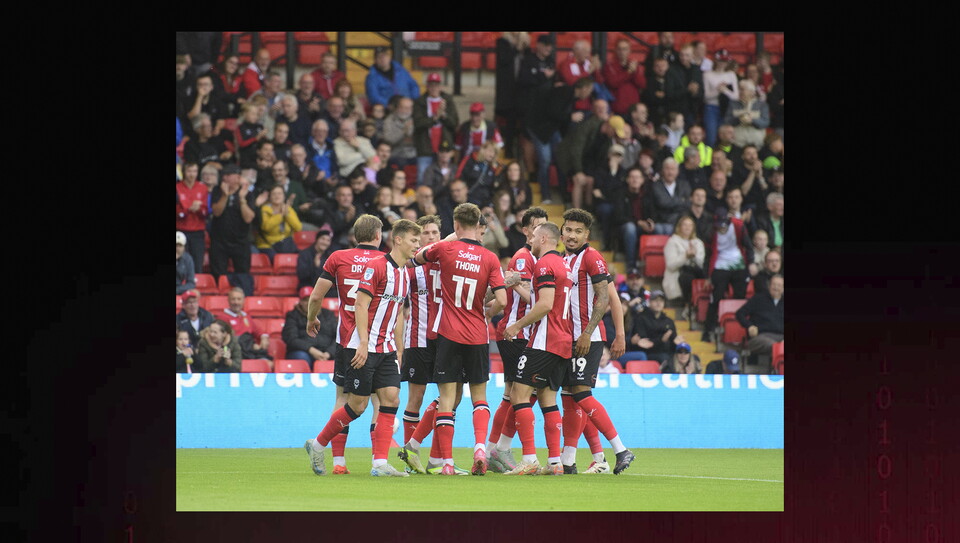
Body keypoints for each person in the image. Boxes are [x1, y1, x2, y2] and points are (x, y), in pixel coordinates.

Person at [306, 219, 421, 478]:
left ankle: (379, 464)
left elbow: (398, 313)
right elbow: (360, 304)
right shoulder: (376, 266)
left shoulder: (405, 273)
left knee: (391, 399)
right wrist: (363, 343)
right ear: (397, 240)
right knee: (357, 406)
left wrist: (399, 348)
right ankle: (318, 445)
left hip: (386, 348)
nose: (418, 245)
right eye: (414, 240)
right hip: (361, 346)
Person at [405, 203, 507, 476]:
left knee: (447, 398)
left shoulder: (444, 249)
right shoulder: (490, 258)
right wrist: (486, 313)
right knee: (479, 397)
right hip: (477, 334)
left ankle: (445, 462)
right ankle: (479, 449)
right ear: (479, 226)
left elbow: (413, 259)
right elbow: (502, 299)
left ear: (455, 225)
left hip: (447, 333)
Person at [303, 214, 385, 475]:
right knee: (381, 401)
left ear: (355, 236)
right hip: (377, 341)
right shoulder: (386, 261)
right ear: (378, 235)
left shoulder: (338, 257)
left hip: (346, 339)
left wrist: (311, 319)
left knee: (342, 397)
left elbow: (316, 296)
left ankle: (339, 462)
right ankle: (379, 461)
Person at [558, 209, 632, 475]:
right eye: (568, 230)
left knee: (581, 393)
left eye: (578, 231)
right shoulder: (563, 259)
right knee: (570, 397)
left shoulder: (592, 257)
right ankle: (568, 461)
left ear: (587, 234)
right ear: (562, 232)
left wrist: (590, 333)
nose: (572, 235)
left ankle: (621, 449)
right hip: (567, 338)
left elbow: (605, 298)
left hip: (586, 337)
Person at [480, 206, 549, 473]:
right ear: (526, 231)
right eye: (537, 226)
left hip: (524, 333)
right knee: (521, 393)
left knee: (513, 394)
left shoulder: (538, 258)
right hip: (516, 333)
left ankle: (495, 449)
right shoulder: (523, 257)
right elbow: (525, 295)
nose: (542, 231)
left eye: (545, 225)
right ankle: (500, 448)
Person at [395, 215, 444, 470]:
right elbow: (397, 306)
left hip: (447, 340)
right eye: (426, 233)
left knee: (448, 398)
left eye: (435, 233)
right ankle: (410, 461)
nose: (431, 237)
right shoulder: (410, 268)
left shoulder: (448, 262)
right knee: (416, 397)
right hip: (418, 339)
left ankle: (437, 460)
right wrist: (398, 346)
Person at [524, 77, 595, 204]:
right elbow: (552, 111)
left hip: (551, 129)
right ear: (584, 88)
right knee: (545, 161)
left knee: (560, 158)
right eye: (589, 91)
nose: (589, 94)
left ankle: (564, 192)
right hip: (539, 129)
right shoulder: (564, 92)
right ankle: (545, 194)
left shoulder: (571, 96)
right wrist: (570, 117)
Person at [210, 164, 263, 296]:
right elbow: (216, 212)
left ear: (238, 177)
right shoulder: (217, 190)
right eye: (224, 175)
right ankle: (219, 298)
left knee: (243, 273)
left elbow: (248, 218)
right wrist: (225, 195)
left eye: (229, 175)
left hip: (241, 241)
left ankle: (242, 297)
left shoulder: (247, 193)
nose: (225, 177)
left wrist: (242, 199)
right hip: (219, 241)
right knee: (218, 274)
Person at [701, 214, 753, 343]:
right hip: (720, 266)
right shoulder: (710, 232)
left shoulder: (739, 226)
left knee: (740, 298)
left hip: (739, 266)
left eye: (724, 226)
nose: (722, 229)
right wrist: (707, 276)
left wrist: (751, 262)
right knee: (716, 298)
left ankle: (740, 331)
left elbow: (748, 246)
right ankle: (708, 330)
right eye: (719, 226)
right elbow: (708, 255)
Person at [555, 98, 608, 211]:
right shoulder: (587, 124)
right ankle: (576, 212)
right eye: (598, 108)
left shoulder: (605, 125)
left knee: (590, 180)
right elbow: (577, 149)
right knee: (578, 179)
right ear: (593, 109)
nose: (601, 110)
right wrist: (578, 170)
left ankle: (588, 210)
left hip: (587, 161)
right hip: (570, 158)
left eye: (603, 108)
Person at [413, 72, 459, 185]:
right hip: (425, 147)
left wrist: (443, 116)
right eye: (431, 85)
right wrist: (435, 118)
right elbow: (418, 123)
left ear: (440, 86)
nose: (434, 88)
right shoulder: (420, 102)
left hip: (444, 147)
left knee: (446, 179)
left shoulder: (448, 100)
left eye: (436, 85)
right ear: (427, 86)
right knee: (422, 178)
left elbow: (454, 123)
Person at [735, 275, 784, 373]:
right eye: (774, 284)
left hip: (781, 337)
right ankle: (776, 371)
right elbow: (739, 313)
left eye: (779, 285)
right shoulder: (758, 298)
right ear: (769, 286)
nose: (776, 288)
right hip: (760, 337)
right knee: (775, 346)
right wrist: (749, 326)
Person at [494, 31, 529, 160]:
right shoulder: (503, 42)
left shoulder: (526, 43)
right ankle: (508, 150)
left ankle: (523, 153)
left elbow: (529, 61)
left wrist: (523, 47)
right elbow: (504, 60)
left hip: (522, 90)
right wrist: (516, 49)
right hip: (508, 91)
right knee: (510, 120)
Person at [623, 290, 683, 365]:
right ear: (649, 302)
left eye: (661, 301)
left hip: (666, 353)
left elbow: (673, 342)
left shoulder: (669, 321)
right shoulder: (641, 319)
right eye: (655, 300)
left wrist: (676, 343)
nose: (658, 303)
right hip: (649, 354)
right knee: (665, 359)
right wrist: (661, 340)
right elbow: (644, 344)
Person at [611, 166, 655, 268]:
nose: (635, 180)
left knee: (662, 228)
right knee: (630, 228)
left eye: (637, 177)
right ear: (627, 180)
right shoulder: (620, 194)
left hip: (644, 226)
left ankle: (654, 265)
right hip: (624, 228)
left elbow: (654, 212)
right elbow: (619, 216)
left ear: (642, 180)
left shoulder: (647, 194)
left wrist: (651, 222)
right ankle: (631, 265)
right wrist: (638, 222)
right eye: (632, 177)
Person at [284, 286, 338, 366]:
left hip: (327, 353)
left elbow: (338, 337)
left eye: (312, 299)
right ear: (300, 302)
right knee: (302, 357)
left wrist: (329, 353)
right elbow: (291, 339)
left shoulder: (328, 314)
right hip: (304, 352)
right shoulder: (293, 316)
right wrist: (311, 350)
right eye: (305, 300)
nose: (309, 302)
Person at [218, 286, 271, 363]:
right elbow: (224, 341)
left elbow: (258, 331)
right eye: (233, 299)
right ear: (228, 301)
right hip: (236, 353)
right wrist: (250, 346)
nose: (236, 302)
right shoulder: (222, 318)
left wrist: (264, 337)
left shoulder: (246, 317)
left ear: (243, 301)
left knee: (268, 363)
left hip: (250, 351)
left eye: (239, 299)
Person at [664, 215, 706, 310]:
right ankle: (687, 305)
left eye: (690, 225)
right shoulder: (672, 242)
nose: (687, 228)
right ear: (679, 227)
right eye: (685, 225)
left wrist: (694, 256)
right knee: (686, 276)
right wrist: (685, 256)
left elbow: (701, 263)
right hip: (679, 274)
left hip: (696, 273)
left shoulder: (698, 243)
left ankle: (695, 304)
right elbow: (671, 265)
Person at [254, 184, 302, 263]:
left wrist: (287, 214)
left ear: (284, 196)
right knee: (278, 260)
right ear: (270, 196)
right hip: (268, 245)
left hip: (286, 245)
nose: (277, 196)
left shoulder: (288, 209)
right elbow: (266, 227)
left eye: (279, 193)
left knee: (302, 258)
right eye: (274, 194)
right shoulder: (264, 209)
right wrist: (281, 215)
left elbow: (298, 227)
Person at [702, 49, 739, 147]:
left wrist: (725, 90)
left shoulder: (731, 75)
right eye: (721, 61)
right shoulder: (707, 75)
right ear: (716, 60)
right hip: (711, 108)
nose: (723, 63)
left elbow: (735, 96)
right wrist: (718, 90)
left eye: (725, 61)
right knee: (711, 137)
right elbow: (705, 97)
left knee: (725, 138)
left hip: (726, 108)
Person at [176, 163, 209, 273]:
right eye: (189, 171)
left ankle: (196, 283)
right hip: (181, 230)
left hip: (198, 231)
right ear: (184, 172)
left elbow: (206, 211)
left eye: (195, 171)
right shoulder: (177, 187)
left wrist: (199, 209)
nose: (192, 174)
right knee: (180, 263)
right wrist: (188, 210)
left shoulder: (202, 188)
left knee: (197, 263)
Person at [558, 39, 606, 111]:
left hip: (588, 105)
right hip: (572, 105)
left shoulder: (587, 63)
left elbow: (600, 81)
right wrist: (588, 72)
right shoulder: (566, 64)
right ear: (577, 51)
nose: (588, 55)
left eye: (589, 52)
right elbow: (571, 82)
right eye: (586, 52)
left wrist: (597, 69)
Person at [602, 39, 646, 116]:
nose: (622, 52)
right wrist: (628, 73)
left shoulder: (635, 66)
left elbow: (642, 84)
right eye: (619, 49)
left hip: (633, 109)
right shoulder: (609, 66)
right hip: (617, 108)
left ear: (629, 51)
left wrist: (635, 72)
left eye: (625, 49)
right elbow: (613, 83)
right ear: (615, 50)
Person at [665, 44, 703, 130]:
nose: (684, 58)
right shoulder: (672, 70)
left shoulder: (697, 70)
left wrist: (695, 93)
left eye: (687, 55)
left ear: (693, 56)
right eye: (682, 55)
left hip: (691, 111)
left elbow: (701, 92)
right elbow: (669, 94)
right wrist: (687, 90)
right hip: (675, 112)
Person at [650, 158, 692, 235]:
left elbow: (688, 204)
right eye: (667, 169)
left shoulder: (684, 185)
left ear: (677, 171)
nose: (670, 172)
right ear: (662, 170)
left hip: (680, 221)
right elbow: (662, 203)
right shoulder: (656, 185)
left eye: (673, 169)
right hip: (662, 221)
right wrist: (681, 200)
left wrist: (671, 202)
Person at [725, 79, 770, 148]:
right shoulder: (733, 104)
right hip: (737, 143)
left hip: (757, 143)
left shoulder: (762, 105)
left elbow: (765, 123)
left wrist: (752, 120)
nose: (739, 92)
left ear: (752, 92)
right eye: (739, 89)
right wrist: (739, 119)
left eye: (742, 90)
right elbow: (727, 121)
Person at [457, 140, 501, 207]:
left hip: (484, 202)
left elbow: (492, 189)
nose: (492, 155)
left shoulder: (494, 169)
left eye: (495, 153)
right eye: (490, 151)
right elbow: (459, 177)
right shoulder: (470, 160)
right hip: (468, 199)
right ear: (483, 150)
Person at [381, 96, 417, 167]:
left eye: (407, 108)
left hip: (414, 153)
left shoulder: (416, 119)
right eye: (401, 107)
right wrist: (403, 132)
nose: (404, 110)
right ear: (397, 107)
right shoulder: (389, 120)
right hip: (397, 154)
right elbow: (388, 140)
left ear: (412, 109)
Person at [642, 58, 671, 127]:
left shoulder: (672, 81)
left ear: (668, 67)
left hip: (669, 114)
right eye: (657, 66)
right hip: (653, 115)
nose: (660, 68)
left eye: (663, 66)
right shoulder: (648, 81)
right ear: (653, 68)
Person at [176, 231, 196, 295]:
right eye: (176, 245)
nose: (177, 248)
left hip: (179, 289)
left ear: (184, 248)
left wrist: (177, 290)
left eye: (180, 246)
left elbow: (191, 284)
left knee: (195, 293)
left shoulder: (188, 259)